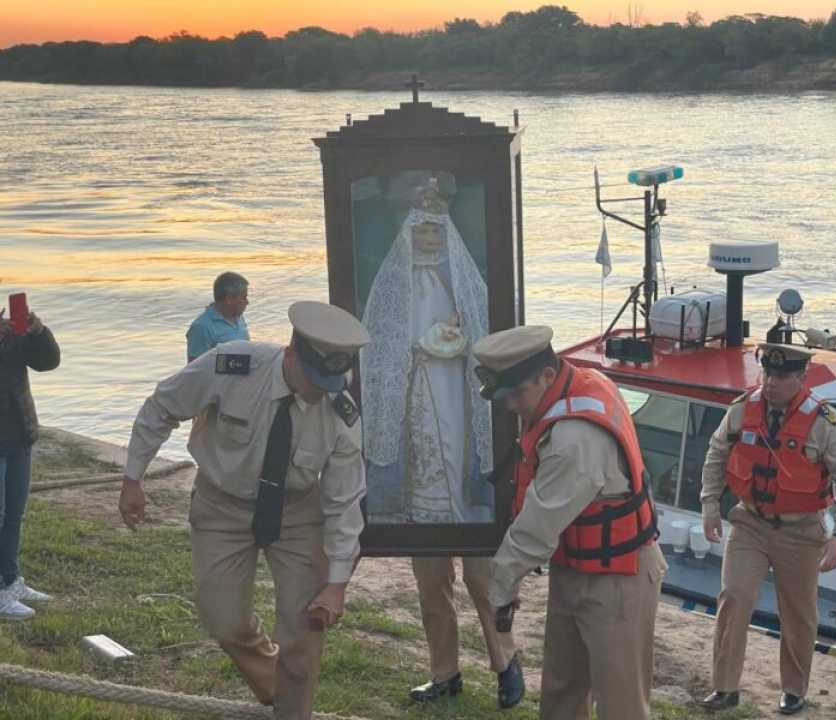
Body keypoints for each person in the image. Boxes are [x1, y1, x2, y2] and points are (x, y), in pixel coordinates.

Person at [119, 301, 367, 720]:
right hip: (222, 506)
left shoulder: (340, 414)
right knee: (224, 621)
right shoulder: (231, 365)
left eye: (332, 381)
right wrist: (133, 478)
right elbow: (162, 406)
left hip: (297, 512)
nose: (321, 391)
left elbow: (344, 502)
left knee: (304, 633)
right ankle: (276, 683)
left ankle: (293, 710)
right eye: (314, 379)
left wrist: (337, 584)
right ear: (290, 355)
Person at [359, 179, 521, 707]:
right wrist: (408, 357)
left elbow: (485, 346)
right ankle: (444, 670)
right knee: (430, 577)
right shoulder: (394, 286)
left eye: (435, 231)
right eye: (420, 231)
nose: (428, 240)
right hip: (415, 413)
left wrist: (455, 345)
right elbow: (377, 351)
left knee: (481, 575)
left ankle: (505, 662)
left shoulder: (464, 285)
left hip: (457, 405)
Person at [476, 325, 665, 720]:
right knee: (561, 692)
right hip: (573, 568)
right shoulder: (576, 384)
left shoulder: (574, 438)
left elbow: (536, 529)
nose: (510, 405)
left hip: (618, 578)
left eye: (515, 393)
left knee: (621, 703)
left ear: (547, 375)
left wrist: (501, 588)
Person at [699, 343, 836, 715]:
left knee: (798, 613)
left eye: (781, 376)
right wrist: (710, 504)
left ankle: (793, 690)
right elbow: (716, 454)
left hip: (801, 532)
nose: (771, 383)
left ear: (801, 378)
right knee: (735, 596)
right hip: (750, 522)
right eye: (767, 374)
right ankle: (725, 687)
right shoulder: (743, 409)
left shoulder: (825, 423)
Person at [0, 305, 60, 621]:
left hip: (19, 436)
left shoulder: (14, 333)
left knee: (13, 516)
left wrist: (38, 331)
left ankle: (11, 580)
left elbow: (48, 362)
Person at [186, 271, 250, 362]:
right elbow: (195, 369)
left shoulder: (239, 319)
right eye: (243, 297)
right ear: (229, 299)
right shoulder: (202, 327)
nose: (247, 302)